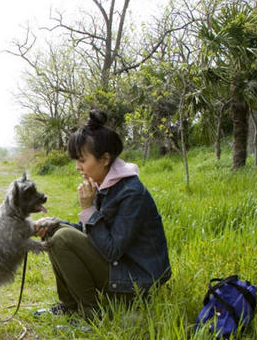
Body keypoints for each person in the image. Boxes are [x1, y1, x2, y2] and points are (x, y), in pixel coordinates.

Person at [34, 110, 171, 319]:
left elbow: (111, 250)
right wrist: (57, 222)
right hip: (120, 270)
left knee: (63, 238)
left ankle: (92, 314)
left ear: (105, 159)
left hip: (135, 283)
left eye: (82, 160)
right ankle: (70, 306)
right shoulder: (106, 184)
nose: (78, 167)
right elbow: (96, 234)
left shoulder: (131, 193)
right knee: (55, 232)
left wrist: (88, 208)